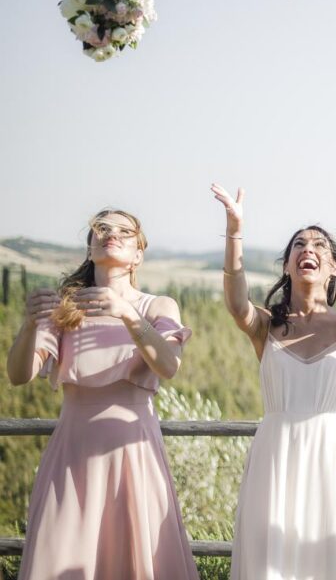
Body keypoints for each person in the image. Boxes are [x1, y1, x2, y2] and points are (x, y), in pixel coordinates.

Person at [7, 209, 199, 580]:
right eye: (103, 228)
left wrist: (127, 314)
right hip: (72, 455)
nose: (112, 233)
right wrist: (29, 326)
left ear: (138, 255)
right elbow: (19, 375)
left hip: (134, 454)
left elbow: (169, 365)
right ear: (90, 247)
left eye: (125, 231)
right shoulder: (64, 309)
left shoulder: (157, 306)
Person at [211, 183, 336, 580]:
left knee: (326, 560)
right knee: (270, 559)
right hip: (275, 457)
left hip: (327, 458)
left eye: (320, 245)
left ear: (334, 267)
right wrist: (234, 231)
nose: (309, 249)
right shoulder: (266, 325)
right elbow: (236, 303)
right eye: (299, 245)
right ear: (287, 265)